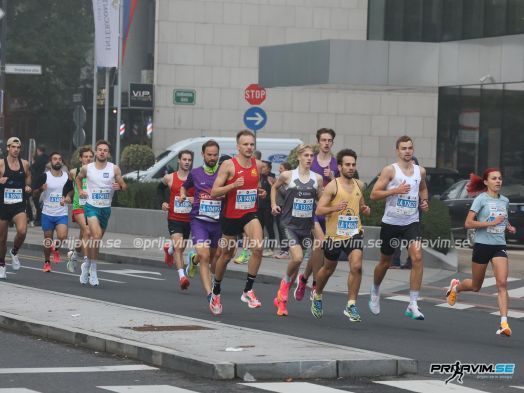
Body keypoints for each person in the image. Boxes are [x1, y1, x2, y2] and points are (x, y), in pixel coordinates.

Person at [446, 169, 516, 337]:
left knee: (502, 283)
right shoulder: (480, 199)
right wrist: (489, 223)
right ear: (486, 182)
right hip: (482, 245)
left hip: (499, 246)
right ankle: (456, 287)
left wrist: (508, 226)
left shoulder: (505, 200)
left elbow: (503, 217)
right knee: (476, 286)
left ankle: (504, 323)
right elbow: (468, 223)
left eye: (500, 178)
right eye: (494, 178)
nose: (498, 181)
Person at [369, 135, 429, 320]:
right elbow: (373, 194)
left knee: (417, 257)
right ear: (397, 151)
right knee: (385, 262)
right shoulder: (390, 171)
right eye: (403, 148)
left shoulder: (421, 171)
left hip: (411, 221)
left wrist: (424, 201)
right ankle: (375, 290)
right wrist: (395, 190)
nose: (407, 151)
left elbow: (423, 188)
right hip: (391, 222)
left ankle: (412, 303)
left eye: (410, 148)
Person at [209, 130, 266, 315]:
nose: (249, 147)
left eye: (252, 144)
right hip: (230, 216)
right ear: (238, 146)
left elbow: (253, 185)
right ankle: (216, 292)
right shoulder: (228, 165)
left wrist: (260, 191)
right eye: (246, 144)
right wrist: (233, 185)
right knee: (225, 256)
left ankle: (248, 290)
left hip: (249, 213)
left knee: (258, 247)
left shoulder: (258, 165)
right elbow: (214, 192)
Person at [311, 149, 370, 321]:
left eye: (353, 164)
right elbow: (319, 209)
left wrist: (365, 209)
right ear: (340, 166)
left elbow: (361, 204)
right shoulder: (333, 186)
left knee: (357, 266)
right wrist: (334, 208)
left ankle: (351, 305)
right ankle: (318, 295)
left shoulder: (358, 185)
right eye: (347, 165)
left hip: (354, 233)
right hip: (334, 236)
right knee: (328, 269)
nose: (351, 168)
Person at [271, 144, 322, 316]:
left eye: (311, 156)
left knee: (297, 263)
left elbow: (321, 200)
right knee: (298, 257)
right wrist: (273, 204)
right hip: (289, 225)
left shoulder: (317, 179)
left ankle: (281, 302)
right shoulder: (287, 175)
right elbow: (274, 187)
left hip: (306, 227)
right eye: (306, 155)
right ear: (299, 157)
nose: (309, 158)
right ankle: (284, 286)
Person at [295, 128, 339, 301]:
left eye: (329, 140)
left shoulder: (336, 163)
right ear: (318, 142)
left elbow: (342, 187)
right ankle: (314, 284)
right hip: (311, 211)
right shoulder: (310, 161)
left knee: (318, 250)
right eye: (324, 140)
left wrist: (334, 176)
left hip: (328, 213)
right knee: (319, 245)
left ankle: (304, 278)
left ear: (332, 143)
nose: (326, 143)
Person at [76, 140, 127, 286]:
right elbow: (78, 179)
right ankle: (93, 270)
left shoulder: (114, 169)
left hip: (105, 208)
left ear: (108, 153)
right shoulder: (87, 168)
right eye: (99, 149)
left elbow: (124, 185)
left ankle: (87, 265)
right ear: (96, 152)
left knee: (96, 240)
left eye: (105, 150)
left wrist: (120, 186)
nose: (102, 152)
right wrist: (80, 191)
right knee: (96, 235)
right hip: (91, 207)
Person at [180, 140, 223, 304]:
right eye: (209, 155)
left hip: (218, 223)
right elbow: (185, 186)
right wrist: (183, 194)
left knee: (212, 258)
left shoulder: (223, 172)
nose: (212, 158)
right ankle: (210, 295)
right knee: (205, 256)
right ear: (203, 155)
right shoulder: (196, 173)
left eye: (215, 155)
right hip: (199, 221)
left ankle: (193, 260)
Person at [159, 150, 194, 290]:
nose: (186, 162)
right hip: (174, 218)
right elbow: (159, 189)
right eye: (184, 159)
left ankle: (169, 249)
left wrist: (193, 199)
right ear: (179, 161)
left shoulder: (195, 178)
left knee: (180, 247)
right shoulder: (169, 178)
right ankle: (182, 277)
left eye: (189, 160)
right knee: (180, 247)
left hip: (189, 219)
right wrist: (163, 202)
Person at [0, 137, 32, 279]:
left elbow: (28, 177)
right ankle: (2, 265)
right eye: (13, 147)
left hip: (19, 204)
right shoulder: (1, 164)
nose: (16, 150)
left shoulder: (24, 164)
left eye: (18, 147)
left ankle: (14, 251)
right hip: (3, 205)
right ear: (8, 148)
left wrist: (28, 186)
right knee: (2, 239)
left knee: (22, 231)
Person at [34, 152, 70, 272]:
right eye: (55, 159)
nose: (57, 161)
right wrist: (40, 189)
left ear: (62, 162)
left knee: (62, 236)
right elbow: (34, 193)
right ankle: (47, 262)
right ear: (51, 162)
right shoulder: (45, 176)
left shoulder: (67, 176)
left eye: (60, 159)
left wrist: (68, 197)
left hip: (61, 212)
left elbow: (72, 190)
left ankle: (56, 248)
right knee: (48, 240)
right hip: (47, 213)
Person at [65, 146, 94, 273]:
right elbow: (67, 187)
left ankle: (75, 254)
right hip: (78, 206)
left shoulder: (96, 172)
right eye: (85, 156)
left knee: (83, 235)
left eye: (90, 156)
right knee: (87, 231)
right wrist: (66, 196)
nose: (88, 159)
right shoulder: (73, 172)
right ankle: (87, 262)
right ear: (80, 158)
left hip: (92, 207)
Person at [391, 156, 420, 270]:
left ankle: (410, 261)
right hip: (398, 214)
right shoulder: (398, 176)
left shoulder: (419, 176)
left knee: (412, 241)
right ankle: (394, 261)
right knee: (396, 239)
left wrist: (424, 202)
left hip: (413, 214)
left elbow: (423, 191)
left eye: (412, 165)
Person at [274, 162, 292, 260]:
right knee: (280, 230)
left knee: (284, 230)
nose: (279, 170)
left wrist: (275, 185)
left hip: (285, 208)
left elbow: (287, 194)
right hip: (278, 207)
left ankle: (286, 251)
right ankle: (282, 250)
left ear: (286, 170)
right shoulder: (280, 180)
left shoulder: (288, 181)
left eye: (281, 168)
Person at [258, 160, 276, 257]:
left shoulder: (272, 178)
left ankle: (271, 248)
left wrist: (272, 185)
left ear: (269, 169)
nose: (262, 168)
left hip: (268, 208)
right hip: (259, 207)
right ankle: (259, 248)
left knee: (269, 228)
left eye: (264, 167)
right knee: (259, 229)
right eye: (261, 166)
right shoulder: (259, 176)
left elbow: (277, 191)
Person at [30, 145, 49, 226]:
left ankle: (38, 219)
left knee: (36, 200)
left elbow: (32, 168)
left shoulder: (38, 159)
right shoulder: (47, 158)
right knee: (43, 200)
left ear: (38, 150)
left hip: (37, 182)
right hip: (46, 181)